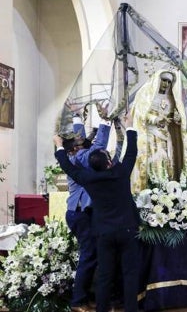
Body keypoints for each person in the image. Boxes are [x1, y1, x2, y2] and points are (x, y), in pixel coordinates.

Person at [54, 114, 140, 312]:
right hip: (127, 229)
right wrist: (130, 127)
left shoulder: (88, 179)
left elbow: (68, 167)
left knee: (104, 275)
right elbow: (131, 153)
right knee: (130, 273)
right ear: (109, 162)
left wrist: (59, 146)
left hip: (104, 232)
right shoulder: (120, 173)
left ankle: (102, 308)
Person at [63, 106, 113, 312]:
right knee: (88, 255)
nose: (80, 138)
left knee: (93, 255)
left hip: (82, 213)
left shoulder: (76, 154)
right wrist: (105, 121)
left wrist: (76, 115)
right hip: (80, 214)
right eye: (76, 140)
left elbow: (81, 137)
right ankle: (78, 301)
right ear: (73, 148)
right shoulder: (80, 159)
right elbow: (98, 145)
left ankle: (89, 295)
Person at [131, 69, 187, 192]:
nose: (165, 84)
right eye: (163, 80)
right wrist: (156, 119)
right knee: (154, 161)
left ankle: (168, 188)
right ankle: (154, 187)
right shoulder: (147, 94)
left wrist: (178, 118)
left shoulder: (174, 98)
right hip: (151, 136)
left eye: (169, 82)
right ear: (157, 80)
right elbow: (140, 114)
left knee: (169, 160)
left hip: (167, 136)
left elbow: (179, 117)